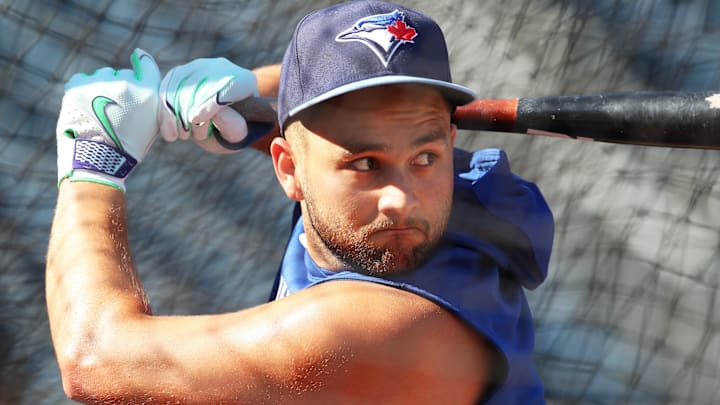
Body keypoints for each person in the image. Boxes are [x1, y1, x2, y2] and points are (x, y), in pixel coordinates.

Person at [46, 1, 554, 403]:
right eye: (365, 165)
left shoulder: (369, 332)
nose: (401, 199)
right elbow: (322, 108)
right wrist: (246, 97)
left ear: (447, 140)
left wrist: (94, 162)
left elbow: (95, 359)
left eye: (425, 157)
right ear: (289, 167)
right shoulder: (458, 193)